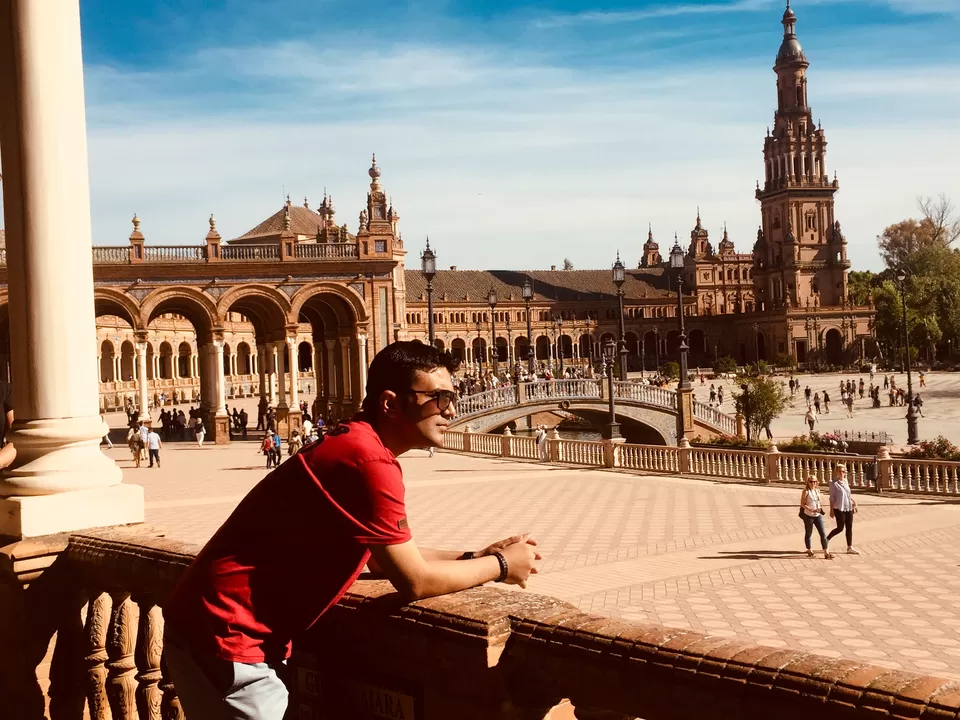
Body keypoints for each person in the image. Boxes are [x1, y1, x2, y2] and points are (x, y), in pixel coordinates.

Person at [162, 341, 540, 720]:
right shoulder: (369, 460)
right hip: (231, 639)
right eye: (438, 398)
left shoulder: (356, 442)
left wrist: (477, 556)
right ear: (391, 403)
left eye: (452, 397)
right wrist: (503, 566)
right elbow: (415, 580)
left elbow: (383, 557)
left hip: (215, 629)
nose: (451, 410)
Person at [826, 464, 858, 554]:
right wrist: (831, 510)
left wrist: (854, 502)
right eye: (840, 471)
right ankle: (826, 539)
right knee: (840, 528)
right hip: (838, 508)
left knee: (849, 527)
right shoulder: (833, 483)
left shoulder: (845, 481)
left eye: (843, 471)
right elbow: (832, 498)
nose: (842, 473)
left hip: (848, 506)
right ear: (836, 472)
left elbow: (848, 494)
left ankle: (849, 547)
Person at [799, 476, 832, 559]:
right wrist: (810, 509)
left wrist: (819, 508)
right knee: (808, 533)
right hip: (808, 515)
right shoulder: (806, 491)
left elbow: (818, 501)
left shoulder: (817, 490)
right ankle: (809, 550)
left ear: (817, 482)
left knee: (823, 533)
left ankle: (826, 552)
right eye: (811, 481)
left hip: (817, 515)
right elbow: (802, 504)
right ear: (808, 482)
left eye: (814, 481)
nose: (813, 483)